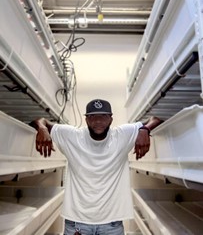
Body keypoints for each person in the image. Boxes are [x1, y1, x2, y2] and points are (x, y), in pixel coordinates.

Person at [32, 99, 162, 235]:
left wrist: (144, 130)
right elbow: (40, 120)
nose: (98, 121)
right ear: (86, 119)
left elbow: (155, 119)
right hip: (77, 222)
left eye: (103, 116)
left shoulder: (122, 135)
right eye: (92, 116)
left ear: (111, 119)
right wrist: (42, 128)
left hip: (112, 223)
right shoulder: (72, 136)